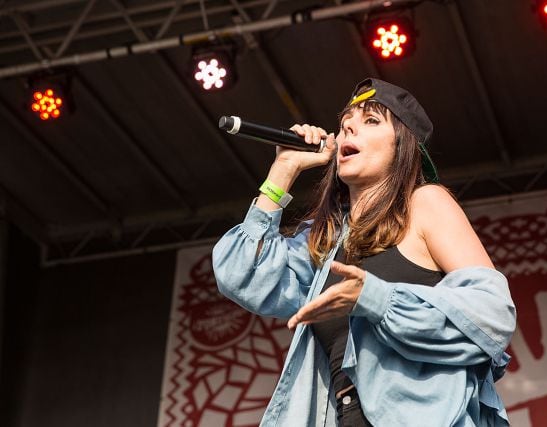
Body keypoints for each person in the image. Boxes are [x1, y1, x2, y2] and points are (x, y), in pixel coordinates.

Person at [212, 78, 516, 426]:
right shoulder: (325, 241)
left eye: (371, 120)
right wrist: (284, 170)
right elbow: (241, 274)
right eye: (345, 124)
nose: (349, 128)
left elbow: (492, 313)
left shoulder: (425, 204)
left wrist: (377, 299)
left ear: (403, 145)